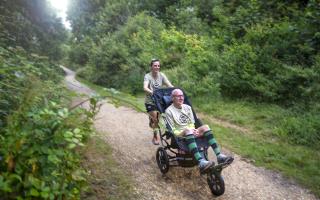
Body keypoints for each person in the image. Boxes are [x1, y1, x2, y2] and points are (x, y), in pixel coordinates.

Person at [165, 89, 232, 173]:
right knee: (188, 130)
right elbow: (172, 130)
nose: (181, 98)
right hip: (180, 136)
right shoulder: (168, 111)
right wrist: (186, 131)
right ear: (172, 98)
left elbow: (192, 123)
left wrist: (195, 130)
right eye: (178, 96)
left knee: (206, 127)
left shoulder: (188, 108)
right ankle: (201, 162)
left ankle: (219, 156)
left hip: (191, 131)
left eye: (182, 96)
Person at [144, 58, 173, 145]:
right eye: (155, 65)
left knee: (163, 116)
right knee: (156, 119)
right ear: (151, 67)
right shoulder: (147, 76)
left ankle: (168, 130)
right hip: (150, 101)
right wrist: (152, 92)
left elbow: (169, 85)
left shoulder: (162, 75)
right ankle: (155, 136)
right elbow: (145, 87)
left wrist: (175, 90)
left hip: (159, 100)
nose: (157, 67)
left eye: (158, 66)